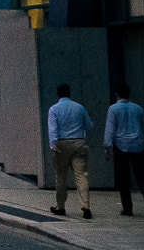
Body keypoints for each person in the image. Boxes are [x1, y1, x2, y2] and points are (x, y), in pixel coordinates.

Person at [106, 83, 144, 218]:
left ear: (117, 94)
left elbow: (110, 129)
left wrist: (107, 145)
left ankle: (128, 208)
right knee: (141, 175)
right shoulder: (138, 108)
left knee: (123, 177)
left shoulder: (113, 109)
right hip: (138, 145)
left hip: (121, 146)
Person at [48, 82, 93, 218]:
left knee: (61, 175)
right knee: (81, 175)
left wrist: (53, 145)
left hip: (61, 143)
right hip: (78, 142)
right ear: (69, 93)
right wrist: (84, 138)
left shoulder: (54, 109)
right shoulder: (79, 108)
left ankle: (60, 206)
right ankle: (85, 206)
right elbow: (89, 125)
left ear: (58, 93)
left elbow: (53, 129)